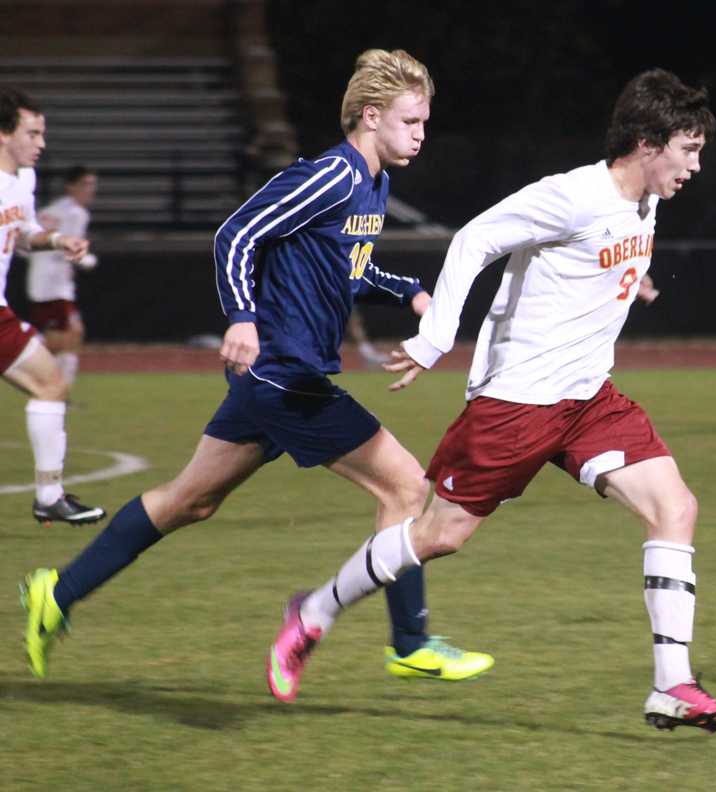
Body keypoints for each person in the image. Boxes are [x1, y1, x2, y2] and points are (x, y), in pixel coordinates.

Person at [267, 68, 716, 733]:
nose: (695, 165)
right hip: (517, 403)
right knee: (438, 536)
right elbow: (474, 240)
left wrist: (630, 280)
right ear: (645, 140)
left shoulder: (647, 200)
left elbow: (601, 257)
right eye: (687, 149)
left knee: (675, 507)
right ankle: (313, 612)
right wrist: (435, 338)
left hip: (588, 399)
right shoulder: (572, 195)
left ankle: (673, 686)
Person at [20, 50, 492, 685]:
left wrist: (407, 290)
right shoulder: (330, 175)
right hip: (283, 375)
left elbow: (347, 265)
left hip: (276, 376)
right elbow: (235, 235)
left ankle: (59, 591)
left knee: (190, 500)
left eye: (425, 122)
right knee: (407, 489)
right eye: (411, 121)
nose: (421, 134)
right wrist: (241, 315)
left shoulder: (372, 183)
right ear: (371, 116)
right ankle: (408, 642)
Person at [0, 87, 106, 526]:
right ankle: (48, 496)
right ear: (4, 134)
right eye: (33, 132)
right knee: (51, 384)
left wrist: (58, 240)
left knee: (51, 384)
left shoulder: (22, 180)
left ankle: (50, 495)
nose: (41, 143)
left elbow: (23, 232)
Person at [25, 165, 99, 388]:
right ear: (71, 186)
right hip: (54, 286)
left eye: (92, 184)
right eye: (85, 184)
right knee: (64, 340)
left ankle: (57, 392)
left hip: (41, 284)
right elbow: (70, 250)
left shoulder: (50, 210)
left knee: (68, 337)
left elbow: (26, 243)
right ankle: (55, 393)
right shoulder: (76, 213)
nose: (91, 190)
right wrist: (87, 260)